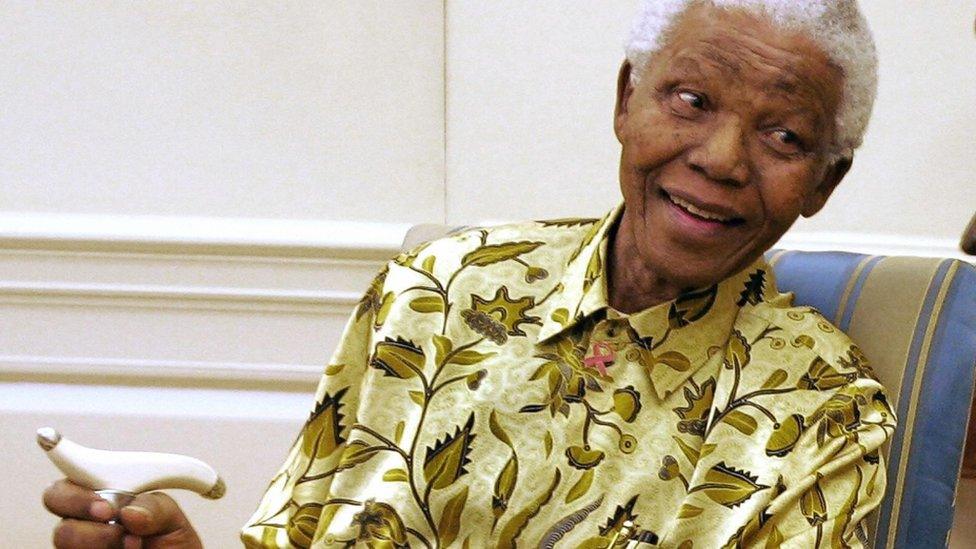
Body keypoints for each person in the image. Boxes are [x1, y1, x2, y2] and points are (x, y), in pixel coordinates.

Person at [42, 0, 897, 547]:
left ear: (823, 179)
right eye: (692, 100)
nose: (719, 158)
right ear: (625, 100)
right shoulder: (440, 287)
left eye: (782, 135)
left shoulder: (822, 412)